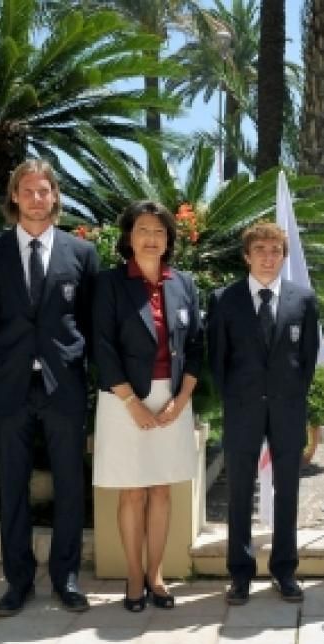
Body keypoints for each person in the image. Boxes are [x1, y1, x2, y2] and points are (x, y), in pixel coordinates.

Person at [0, 160, 99, 617]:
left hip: (63, 387)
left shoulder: (80, 255)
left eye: (44, 190)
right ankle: (18, 582)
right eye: (27, 190)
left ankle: (66, 579)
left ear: (55, 197)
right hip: (9, 389)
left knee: (69, 484)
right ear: (14, 197)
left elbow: (86, 321)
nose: (36, 198)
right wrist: (7, 364)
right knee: (12, 487)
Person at [92, 201, 202, 612]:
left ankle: (156, 574)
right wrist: (132, 403)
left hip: (173, 399)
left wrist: (181, 400)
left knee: (161, 489)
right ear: (129, 237)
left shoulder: (184, 284)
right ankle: (134, 577)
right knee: (133, 492)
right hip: (123, 400)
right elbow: (102, 347)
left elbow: (195, 347)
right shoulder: (110, 283)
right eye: (142, 229)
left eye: (159, 230)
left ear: (169, 238)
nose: (151, 238)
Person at [207, 223, 319, 605]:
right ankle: (240, 574)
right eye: (260, 249)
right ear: (247, 255)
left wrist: (289, 397)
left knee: (287, 491)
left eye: (275, 250)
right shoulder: (224, 299)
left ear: (284, 256)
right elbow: (217, 361)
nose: (268, 256)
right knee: (239, 492)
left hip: (287, 410)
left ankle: (285, 571)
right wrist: (238, 398)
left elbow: (306, 359)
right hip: (242, 409)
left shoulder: (302, 300)